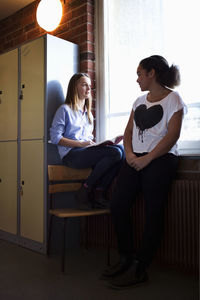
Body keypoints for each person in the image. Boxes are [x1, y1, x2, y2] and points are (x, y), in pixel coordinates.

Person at [102, 55, 186, 289]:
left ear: (152, 73)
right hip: (134, 159)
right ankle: (125, 258)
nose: (137, 78)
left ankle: (141, 268)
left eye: (140, 73)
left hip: (161, 159)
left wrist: (148, 158)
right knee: (118, 205)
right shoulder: (138, 100)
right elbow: (128, 132)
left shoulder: (174, 99)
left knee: (153, 213)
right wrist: (129, 155)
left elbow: (172, 136)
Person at [50, 72, 124, 209]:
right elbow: (55, 138)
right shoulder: (64, 110)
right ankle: (86, 189)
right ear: (74, 87)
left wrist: (98, 144)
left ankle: (99, 192)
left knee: (121, 150)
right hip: (70, 155)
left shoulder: (88, 114)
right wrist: (81, 144)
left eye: (90, 85)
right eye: (84, 85)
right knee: (115, 153)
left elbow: (88, 139)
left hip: (84, 151)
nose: (89, 89)